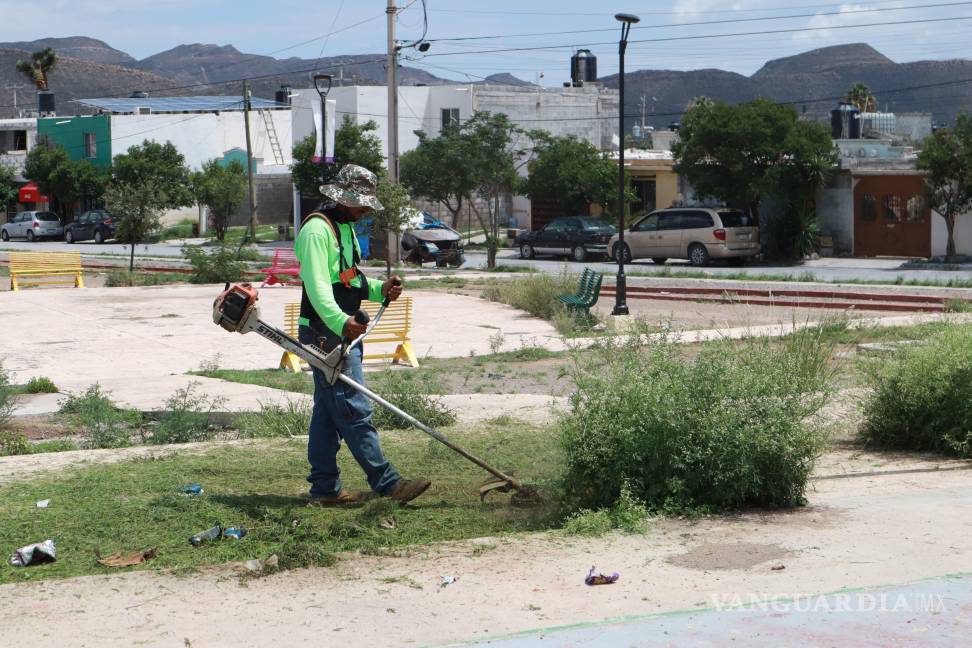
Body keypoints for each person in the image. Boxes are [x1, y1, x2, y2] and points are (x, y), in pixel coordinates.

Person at [294, 164, 430, 506]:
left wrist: (380, 289)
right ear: (343, 199)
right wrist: (341, 323)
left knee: (327, 414)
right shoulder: (316, 231)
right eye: (362, 203)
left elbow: (350, 279)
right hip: (325, 334)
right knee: (354, 409)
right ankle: (388, 483)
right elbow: (319, 288)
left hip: (341, 331)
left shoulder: (344, 228)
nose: (367, 209)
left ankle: (324, 490)